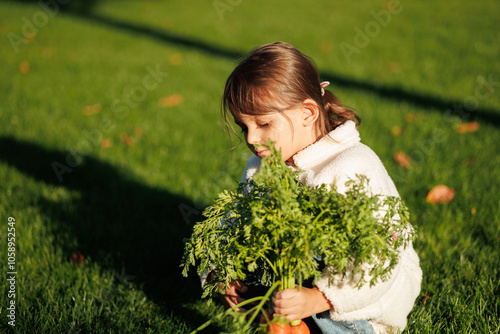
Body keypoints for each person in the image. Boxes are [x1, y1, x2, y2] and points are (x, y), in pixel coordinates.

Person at [216, 41, 422, 334]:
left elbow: (381, 256)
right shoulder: (259, 167)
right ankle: (280, 320)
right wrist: (221, 273)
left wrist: (320, 297)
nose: (252, 138)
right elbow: (232, 224)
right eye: (243, 126)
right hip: (293, 291)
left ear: (307, 113)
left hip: (361, 302)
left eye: (263, 124)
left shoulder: (354, 166)